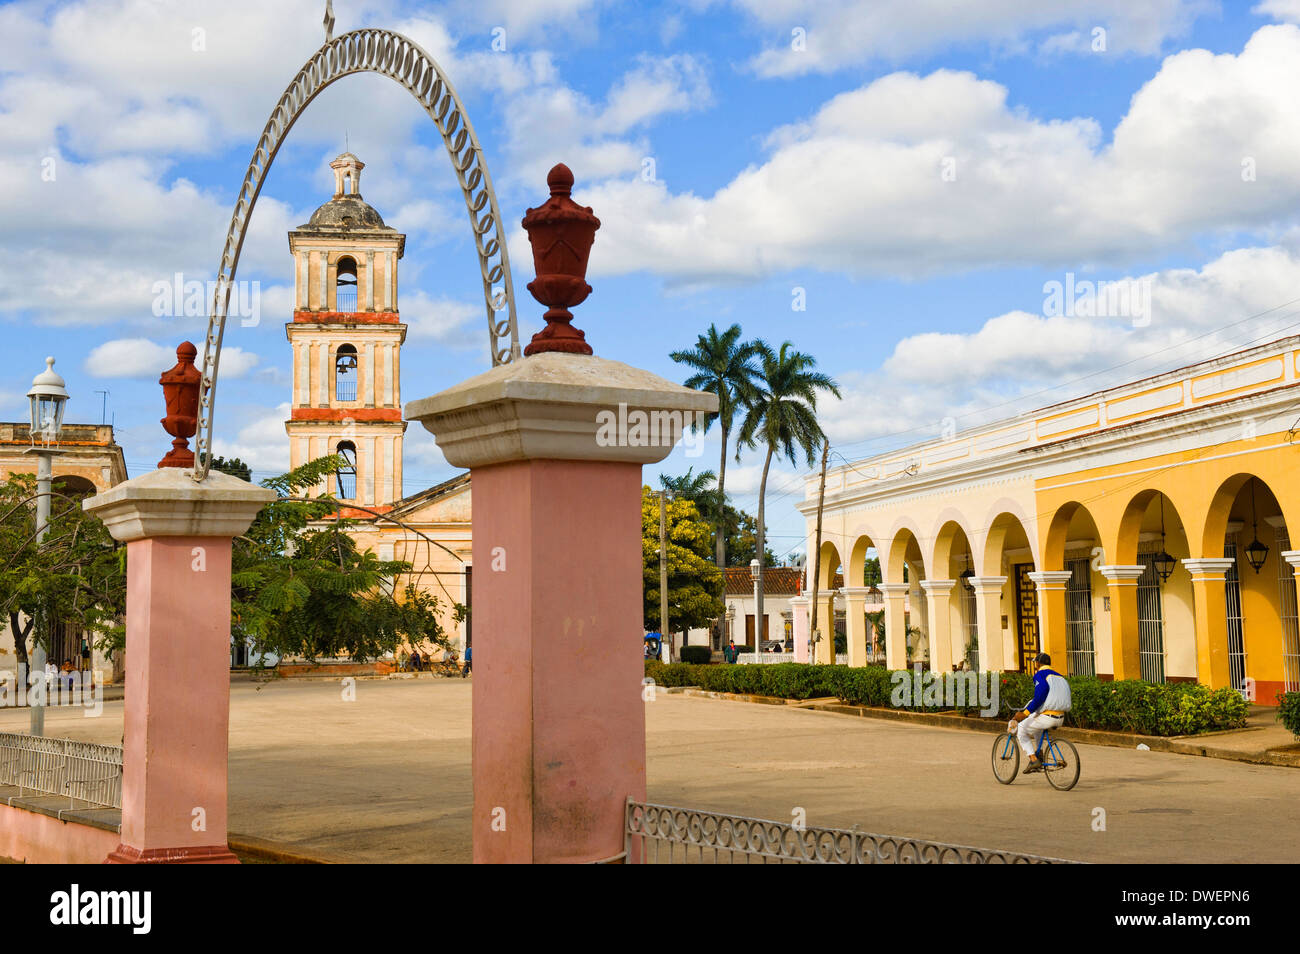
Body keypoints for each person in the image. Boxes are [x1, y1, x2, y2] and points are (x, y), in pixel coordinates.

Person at [1009, 652, 1071, 773]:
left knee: (1021, 729)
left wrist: (1025, 713)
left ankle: (1033, 760)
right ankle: (1040, 753)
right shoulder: (1060, 677)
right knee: (1036, 722)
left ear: (1038, 663)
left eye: (1035, 663)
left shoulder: (1040, 675)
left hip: (1048, 717)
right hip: (1060, 716)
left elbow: (1040, 696)